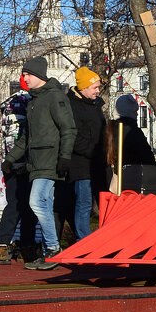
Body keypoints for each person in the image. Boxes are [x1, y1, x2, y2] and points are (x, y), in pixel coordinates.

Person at [3, 56, 76, 271]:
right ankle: (49, 251)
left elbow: (68, 129)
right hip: (37, 163)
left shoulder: (55, 98)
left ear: (38, 76)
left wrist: (65, 157)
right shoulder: (34, 101)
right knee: (43, 204)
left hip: (50, 162)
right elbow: (26, 137)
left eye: (27, 74)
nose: (24, 78)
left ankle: (53, 249)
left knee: (36, 202)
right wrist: (10, 159)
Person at [0, 85, 38, 265]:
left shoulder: (12, 104)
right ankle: (17, 244)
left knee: (18, 205)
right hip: (21, 163)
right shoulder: (23, 103)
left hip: (13, 162)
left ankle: (5, 244)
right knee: (21, 206)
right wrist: (19, 162)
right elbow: (16, 137)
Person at [58, 66, 106, 241]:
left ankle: (104, 238)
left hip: (97, 161)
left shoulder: (95, 105)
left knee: (103, 201)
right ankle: (83, 239)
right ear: (84, 87)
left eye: (98, 87)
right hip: (81, 163)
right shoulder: (72, 106)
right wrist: (94, 151)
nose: (98, 91)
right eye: (95, 87)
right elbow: (75, 137)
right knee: (84, 202)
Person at [106, 94, 155, 192]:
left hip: (111, 178)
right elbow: (147, 157)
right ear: (130, 112)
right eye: (135, 111)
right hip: (131, 180)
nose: (137, 115)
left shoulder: (110, 129)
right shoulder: (132, 132)